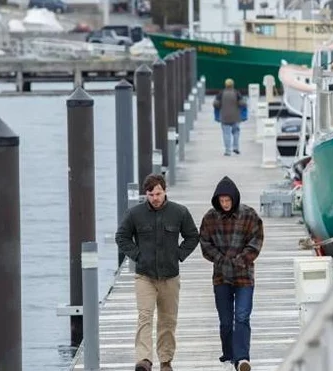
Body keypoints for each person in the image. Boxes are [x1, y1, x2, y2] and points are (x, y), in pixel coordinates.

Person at [115, 173, 200, 371]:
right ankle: (144, 360)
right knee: (144, 316)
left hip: (170, 276)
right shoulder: (134, 214)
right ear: (146, 194)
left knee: (168, 320)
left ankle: (166, 360)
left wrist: (179, 254)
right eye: (151, 194)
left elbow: (192, 236)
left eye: (158, 193)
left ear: (165, 191)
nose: (155, 198)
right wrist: (137, 255)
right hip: (145, 275)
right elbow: (121, 237)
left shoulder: (179, 212)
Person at [199, 176, 264, 371]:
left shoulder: (249, 216)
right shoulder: (210, 218)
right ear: (217, 201)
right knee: (226, 322)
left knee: (242, 317)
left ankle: (242, 358)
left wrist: (239, 261)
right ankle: (229, 356)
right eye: (222, 201)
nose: (225, 204)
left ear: (234, 199)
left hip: (244, 276)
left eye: (228, 200)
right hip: (221, 277)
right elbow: (205, 244)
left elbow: (256, 242)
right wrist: (221, 260)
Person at [213, 78, 247, 156]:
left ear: (225, 85)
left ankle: (228, 151)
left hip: (224, 117)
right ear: (233, 85)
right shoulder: (236, 93)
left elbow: (216, 104)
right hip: (235, 117)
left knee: (226, 134)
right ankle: (236, 147)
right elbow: (242, 104)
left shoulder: (221, 93)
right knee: (236, 132)